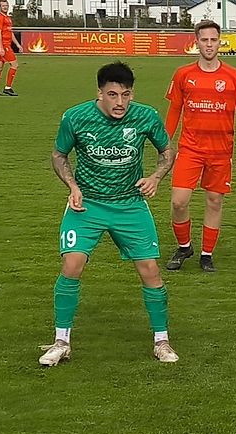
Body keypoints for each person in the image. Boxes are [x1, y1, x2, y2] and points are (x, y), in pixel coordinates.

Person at [40, 62, 177, 366]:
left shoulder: (146, 116)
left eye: (125, 95)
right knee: (72, 264)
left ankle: (161, 341)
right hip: (87, 204)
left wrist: (155, 177)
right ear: (99, 93)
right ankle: (61, 341)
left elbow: (167, 151)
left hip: (129, 204)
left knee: (150, 271)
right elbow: (59, 154)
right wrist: (72, 186)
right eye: (112, 95)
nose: (119, 103)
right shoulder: (75, 117)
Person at [164, 20, 236, 273]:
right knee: (179, 202)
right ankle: (184, 247)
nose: (209, 44)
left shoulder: (234, 76)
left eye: (213, 40)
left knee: (214, 201)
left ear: (219, 41)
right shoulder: (183, 74)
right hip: (190, 148)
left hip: (220, 150)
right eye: (204, 40)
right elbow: (174, 110)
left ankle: (206, 254)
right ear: (197, 42)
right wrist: (164, 142)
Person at [0, 0, 23, 97]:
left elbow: (10, 33)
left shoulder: (7, 18)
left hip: (4, 44)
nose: (5, 7)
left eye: (6, 5)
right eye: (3, 6)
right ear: (0, 7)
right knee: (14, 65)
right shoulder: (0, 18)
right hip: (3, 45)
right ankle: (8, 88)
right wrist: (1, 47)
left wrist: (18, 45)